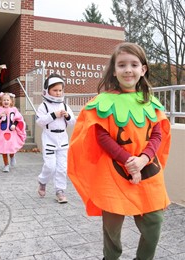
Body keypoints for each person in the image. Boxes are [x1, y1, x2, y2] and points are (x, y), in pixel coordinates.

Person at [67, 42, 171, 260]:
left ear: (143, 70)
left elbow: (157, 134)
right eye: (122, 64)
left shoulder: (152, 104)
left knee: (154, 222)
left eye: (134, 64)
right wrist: (127, 160)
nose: (128, 70)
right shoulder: (103, 101)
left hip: (148, 172)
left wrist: (143, 159)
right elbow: (102, 135)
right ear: (114, 70)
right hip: (113, 175)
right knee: (112, 226)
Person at [36, 73, 76, 203]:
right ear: (47, 90)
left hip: (62, 138)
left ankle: (60, 190)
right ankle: (42, 181)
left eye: (60, 90)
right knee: (50, 166)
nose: (58, 93)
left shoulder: (64, 105)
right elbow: (40, 122)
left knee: (62, 167)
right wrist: (53, 115)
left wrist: (67, 116)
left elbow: (73, 122)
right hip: (49, 137)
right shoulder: (44, 106)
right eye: (55, 90)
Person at [0, 92, 26, 172]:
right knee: (3, 149)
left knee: (11, 147)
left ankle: (12, 156)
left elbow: (19, 119)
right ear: (1, 101)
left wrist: (14, 124)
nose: (6, 101)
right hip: (2, 133)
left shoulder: (14, 109)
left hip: (12, 132)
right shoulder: (0, 109)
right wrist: (0, 116)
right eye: (4, 100)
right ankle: (6, 165)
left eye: (7, 100)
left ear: (11, 101)